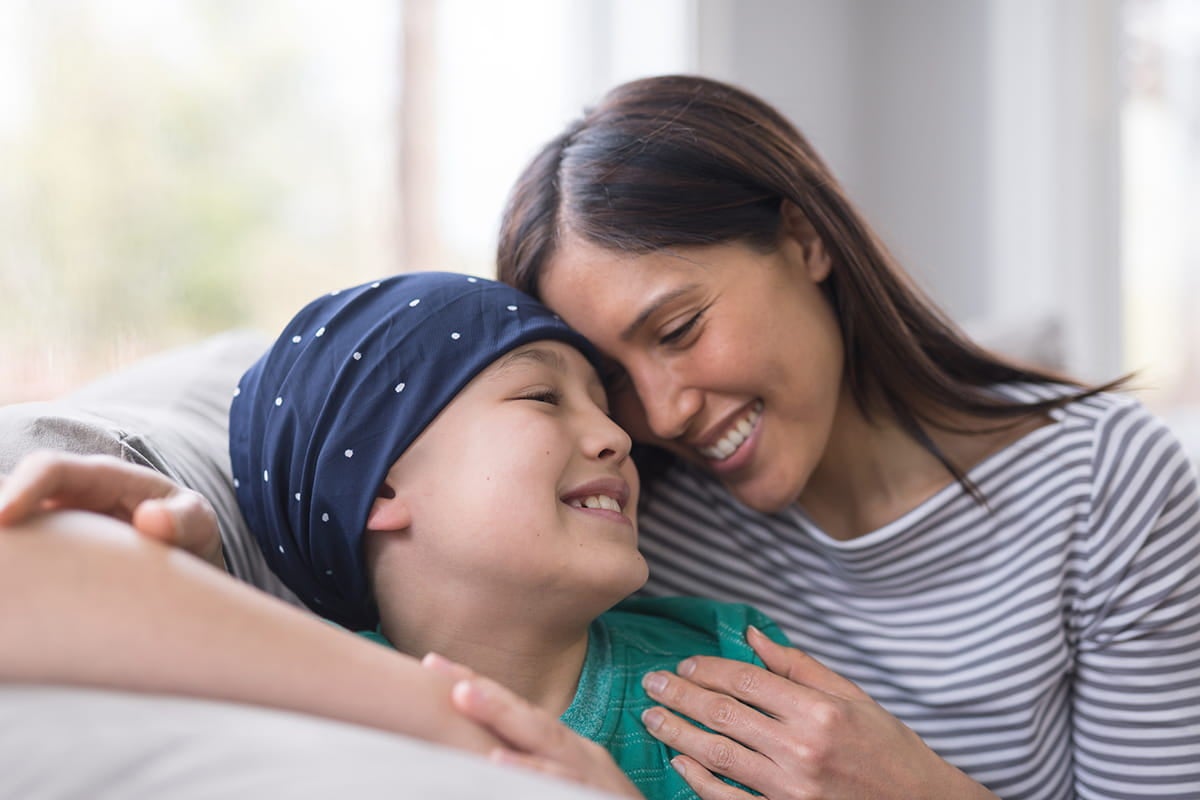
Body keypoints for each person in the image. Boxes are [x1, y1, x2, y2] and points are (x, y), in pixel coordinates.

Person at [487, 74, 1200, 799]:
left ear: (804, 240)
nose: (662, 416)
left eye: (678, 329)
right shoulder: (631, 531)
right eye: (612, 377)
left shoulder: (1105, 485)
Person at [1, 272, 791, 800]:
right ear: (378, 486)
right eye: (543, 397)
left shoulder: (736, 669)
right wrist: (194, 574)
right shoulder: (318, 723)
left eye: (603, 405)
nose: (617, 437)